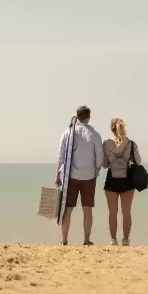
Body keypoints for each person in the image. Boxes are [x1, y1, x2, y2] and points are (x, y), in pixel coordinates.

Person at [55, 105, 105, 246]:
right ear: (89, 117)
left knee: (67, 209)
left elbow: (60, 157)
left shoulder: (68, 133)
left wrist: (57, 176)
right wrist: (96, 171)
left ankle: (64, 240)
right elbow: (99, 157)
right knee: (87, 210)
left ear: (76, 116)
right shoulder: (94, 134)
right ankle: (86, 240)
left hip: (70, 176)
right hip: (89, 177)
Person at [103, 117, 142, 246]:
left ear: (111, 129)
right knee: (126, 212)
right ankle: (125, 240)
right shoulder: (130, 143)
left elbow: (104, 164)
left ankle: (113, 240)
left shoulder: (106, 144)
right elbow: (138, 161)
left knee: (112, 212)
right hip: (127, 180)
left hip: (112, 180)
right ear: (123, 128)